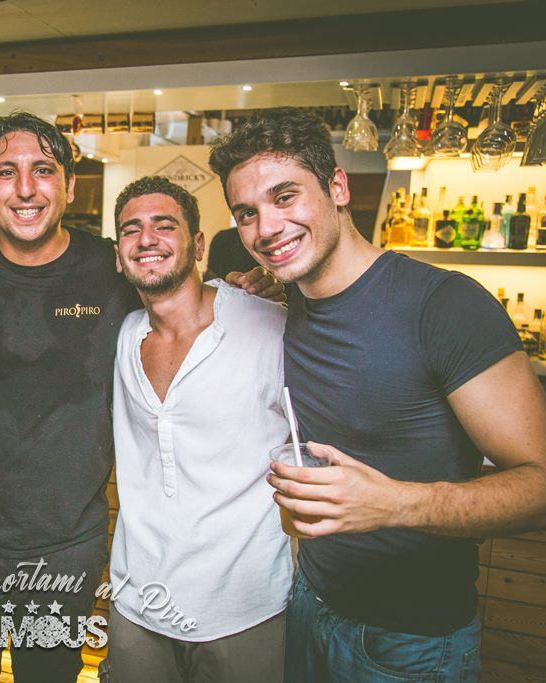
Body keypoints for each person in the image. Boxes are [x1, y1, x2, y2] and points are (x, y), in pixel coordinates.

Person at [0, 112, 282, 683]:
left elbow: (180, 290)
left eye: (43, 170)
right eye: (6, 172)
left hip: (66, 550)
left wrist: (249, 288)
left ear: (68, 184)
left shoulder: (112, 267)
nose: (25, 188)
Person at [209, 108, 546, 682]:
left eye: (285, 197)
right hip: (308, 603)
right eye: (247, 213)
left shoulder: (444, 305)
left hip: (413, 639)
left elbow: (538, 485)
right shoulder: (286, 304)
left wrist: (393, 504)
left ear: (337, 187)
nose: (266, 228)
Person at [106, 176, 290, 682]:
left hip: (243, 607)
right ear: (118, 255)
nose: (147, 239)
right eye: (131, 230)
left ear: (199, 244)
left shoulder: (269, 327)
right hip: (138, 600)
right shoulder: (123, 336)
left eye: (165, 226)